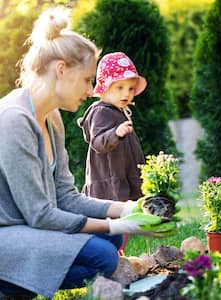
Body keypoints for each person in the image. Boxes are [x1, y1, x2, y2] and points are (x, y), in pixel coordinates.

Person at [0, 7, 169, 299]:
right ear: (61, 69)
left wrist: (129, 209)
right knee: (104, 254)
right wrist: (120, 222)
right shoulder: (14, 120)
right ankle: (9, 284)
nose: (92, 90)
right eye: (88, 80)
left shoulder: (51, 118)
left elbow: (67, 197)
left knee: (111, 238)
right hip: (9, 234)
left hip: (31, 229)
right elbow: (40, 214)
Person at [77, 52, 147, 254]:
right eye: (119, 87)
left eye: (130, 88)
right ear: (104, 88)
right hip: (108, 181)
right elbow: (98, 142)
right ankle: (112, 254)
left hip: (120, 177)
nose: (127, 93)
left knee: (123, 221)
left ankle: (118, 254)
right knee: (114, 222)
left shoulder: (117, 110)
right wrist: (115, 133)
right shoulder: (101, 111)